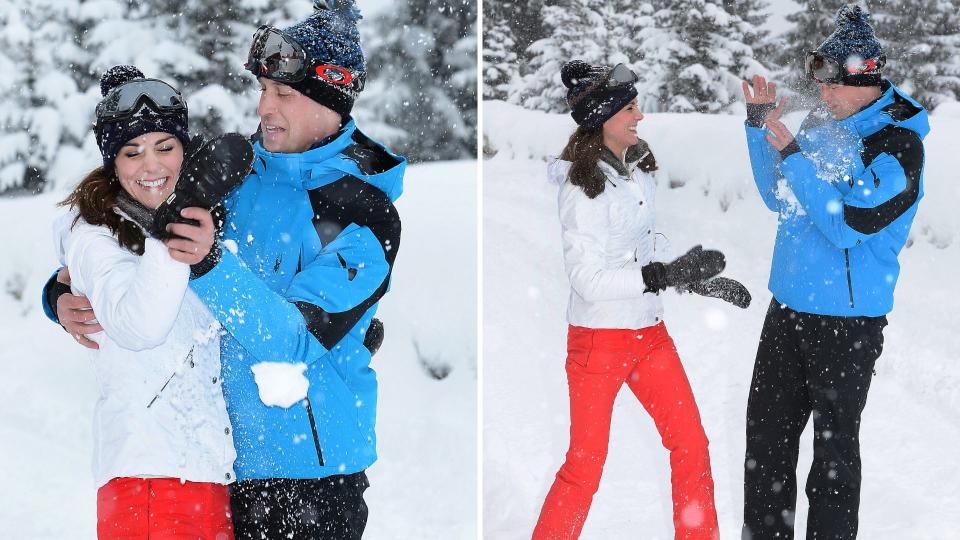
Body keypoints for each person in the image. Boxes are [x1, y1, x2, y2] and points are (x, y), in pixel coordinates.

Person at [43, 2, 404, 537]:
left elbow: (294, 340)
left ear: (331, 101)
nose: (263, 108)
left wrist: (208, 262)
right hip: (221, 467)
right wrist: (61, 294)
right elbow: (137, 227)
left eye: (282, 94)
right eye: (261, 90)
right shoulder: (239, 169)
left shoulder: (365, 212)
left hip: (311, 479)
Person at [740, 5, 928, 539]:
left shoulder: (898, 144)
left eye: (833, 87)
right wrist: (761, 129)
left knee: (833, 458)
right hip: (788, 309)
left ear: (866, 80)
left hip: (846, 325)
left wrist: (796, 158)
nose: (822, 97)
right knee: (766, 446)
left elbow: (850, 222)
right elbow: (780, 196)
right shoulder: (821, 125)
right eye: (820, 87)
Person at [532, 59, 736, 540]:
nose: (639, 116)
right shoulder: (584, 189)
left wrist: (685, 276)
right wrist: (659, 275)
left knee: (691, 444)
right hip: (599, 342)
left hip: (648, 335)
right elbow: (588, 279)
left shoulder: (634, 172)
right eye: (629, 108)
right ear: (603, 117)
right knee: (585, 468)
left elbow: (641, 252)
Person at [53, 65, 237, 538]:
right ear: (112, 164)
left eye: (165, 147)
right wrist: (171, 232)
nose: (151, 166)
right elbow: (138, 326)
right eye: (131, 152)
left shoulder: (207, 216)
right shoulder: (93, 235)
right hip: (149, 482)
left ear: (186, 150)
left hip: (209, 480)